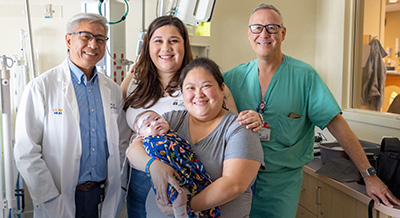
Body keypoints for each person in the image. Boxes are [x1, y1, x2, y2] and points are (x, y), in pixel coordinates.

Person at [222, 4, 400, 218]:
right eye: (257, 28)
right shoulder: (231, 79)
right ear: (248, 33)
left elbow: (337, 125)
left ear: (283, 33)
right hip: (236, 182)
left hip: (281, 186)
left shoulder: (305, 77)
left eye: (271, 27)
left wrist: (369, 175)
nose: (264, 34)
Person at [121, 15, 262, 217]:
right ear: (148, 46)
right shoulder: (135, 80)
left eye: (174, 40)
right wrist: (153, 165)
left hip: (191, 181)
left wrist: (252, 120)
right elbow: (128, 134)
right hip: (141, 174)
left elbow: (232, 123)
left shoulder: (199, 79)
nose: (166, 47)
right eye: (158, 41)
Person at [13, 13, 131, 218]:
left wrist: (117, 188)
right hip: (58, 196)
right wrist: (49, 198)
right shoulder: (41, 87)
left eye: (100, 39)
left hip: (101, 196)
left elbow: (121, 144)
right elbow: (26, 151)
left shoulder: (111, 90)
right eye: (85, 37)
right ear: (69, 40)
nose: (93, 45)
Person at [133, 110, 220, 218]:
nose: (155, 123)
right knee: (176, 193)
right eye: (147, 125)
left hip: (186, 172)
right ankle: (181, 213)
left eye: (157, 119)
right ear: (141, 136)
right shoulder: (148, 141)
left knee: (195, 192)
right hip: (168, 176)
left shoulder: (172, 134)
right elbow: (131, 151)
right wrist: (153, 164)